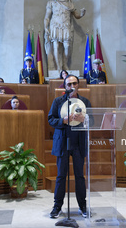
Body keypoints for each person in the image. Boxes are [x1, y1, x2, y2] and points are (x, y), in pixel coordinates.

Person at [48, 75, 92, 218]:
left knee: (80, 176)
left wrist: (84, 119)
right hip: (63, 142)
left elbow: (93, 119)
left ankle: (83, 206)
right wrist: (64, 121)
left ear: (78, 85)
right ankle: (57, 206)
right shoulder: (58, 101)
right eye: (69, 84)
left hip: (79, 143)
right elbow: (51, 119)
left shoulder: (85, 102)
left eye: (74, 83)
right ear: (65, 86)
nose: (72, 86)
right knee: (61, 176)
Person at [44, 0, 86, 71]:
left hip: (66, 25)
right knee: (55, 46)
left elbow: (76, 15)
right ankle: (58, 67)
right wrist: (46, 27)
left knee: (67, 46)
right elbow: (47, 17)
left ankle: (64, 64)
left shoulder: (69, 2)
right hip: (55, 25)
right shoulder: (52, 2)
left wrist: (82, 14)